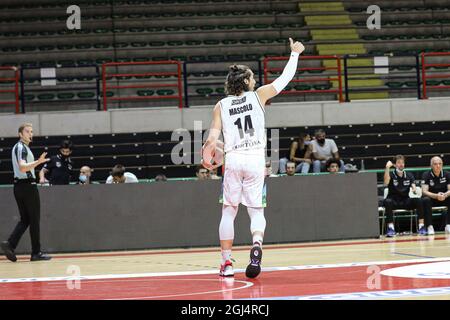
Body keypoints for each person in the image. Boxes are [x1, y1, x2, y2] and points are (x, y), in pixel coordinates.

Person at [202, 38, 305, 278]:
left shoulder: (220, 105)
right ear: (246, 81)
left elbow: (211, 140)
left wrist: (209, 157)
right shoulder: (259, 95)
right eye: (253, 77)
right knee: (256, 211)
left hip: (234, 158)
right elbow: (284, 80)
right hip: (256, 159)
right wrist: (295, 54)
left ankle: (227, 263)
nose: (256, 80)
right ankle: (257, 244)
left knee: (229, 211)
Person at [1, 123, 52, 262]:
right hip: (28, 187)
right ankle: (36, 253)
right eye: (27, 131)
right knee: (34, 220)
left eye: (32, 131)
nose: (31, 134)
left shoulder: (21, 147)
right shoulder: (21, 147)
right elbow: (23, 167)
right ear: (20, 134)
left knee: (26, 219)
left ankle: (10, 244)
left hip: (19, 186)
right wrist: (38, 162)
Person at [383, 155, 428, 237]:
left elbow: (413, 184)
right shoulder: (390, 174)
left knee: (419, 200)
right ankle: (390, 228)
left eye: (403, 163)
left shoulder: (409, 174)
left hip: (405, 200)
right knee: (387, 201)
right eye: (399, 163)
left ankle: (421, 227)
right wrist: (387, 168)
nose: (401, 164)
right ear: (394, 164)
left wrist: (414, 188)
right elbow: (386, 182)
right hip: (394, 201)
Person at [421, 156, 450, 234]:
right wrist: (436, 196)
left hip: (444, 198)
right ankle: (430, 226)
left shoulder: (447, 174)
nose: (438, 166)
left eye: (440, 164)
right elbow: (424, 191)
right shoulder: (426, 175)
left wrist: (445, 195)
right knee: (425, 199)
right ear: (431, 165)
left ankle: (448, 225)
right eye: (435, 164)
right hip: (432, 199)